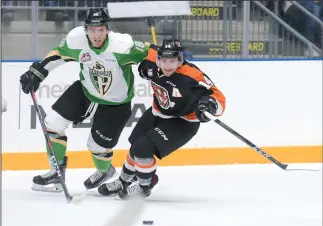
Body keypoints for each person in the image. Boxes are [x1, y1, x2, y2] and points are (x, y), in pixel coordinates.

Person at [19, 8, 150, 192]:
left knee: (95, 146)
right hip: (86, 90)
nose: (96, 35)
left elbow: (151, 53)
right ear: (85, 29)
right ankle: (57, 172)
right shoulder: (76, 40)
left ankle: (105, 171)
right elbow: (58, 54)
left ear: (107, 29)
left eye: (100, 30)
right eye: (92, 29)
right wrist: (39, 71)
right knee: (52, 123)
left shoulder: (122, 45)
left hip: (116, 102)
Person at [97, 39, 226, 200]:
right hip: (157, 112)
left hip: (183, 122)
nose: (167, 66)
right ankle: (123, 181)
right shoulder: (152, 59)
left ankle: (145, 186)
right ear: (158, 58)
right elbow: (135, 46)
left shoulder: (192, 75)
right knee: (135, 146)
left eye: (172, 61)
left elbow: (217, 95)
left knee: (142, 149)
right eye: (164, 61)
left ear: (180, 60)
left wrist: (210, 105)